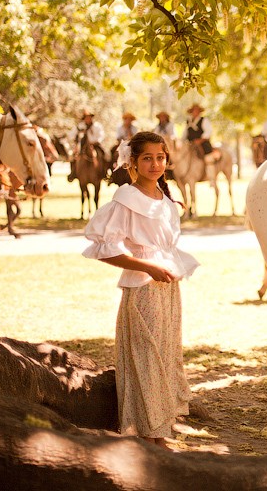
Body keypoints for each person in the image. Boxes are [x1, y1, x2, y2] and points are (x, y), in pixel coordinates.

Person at [82, 131, 199, 449]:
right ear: (132, 162)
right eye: (147, 158)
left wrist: (165, 269)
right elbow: (106, 249)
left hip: (168, 289)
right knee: (146, 358)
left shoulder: (167, 200)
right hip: (144, 289)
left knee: (165, 355)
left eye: (160, 157)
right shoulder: (126, 200)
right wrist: (148, 267)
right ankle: (149, 433)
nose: (155, 164)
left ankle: (160, 425)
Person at [68, 109, 106, 182]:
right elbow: (72, 135)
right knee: (73, 156)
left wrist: (96, 141)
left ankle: (103, 173)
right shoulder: (80, 126)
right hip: (82, 146)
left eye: (89, 117)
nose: (88, 119)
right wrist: (76, 141)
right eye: (86, 117)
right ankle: (73, 173)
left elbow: (101, 136)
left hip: (95, 145)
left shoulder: (97, 126)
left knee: (104, 155)